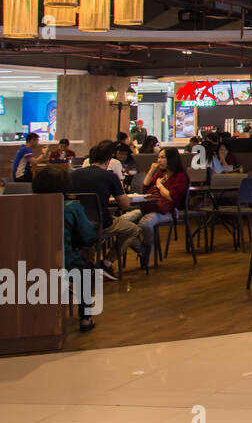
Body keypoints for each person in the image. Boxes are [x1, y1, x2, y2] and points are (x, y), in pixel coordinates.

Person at [33, 167, 99, 332]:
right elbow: (88, 237)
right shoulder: (71, 207)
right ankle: (85, 317)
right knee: (85, 269)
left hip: (27, 262)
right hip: (64, 262)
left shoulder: (24, 206)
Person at [68, 139, 144, 279]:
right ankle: (107, 263)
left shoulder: (73, 175)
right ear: (108, 161)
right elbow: (125, 205)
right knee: (133, 229)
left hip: (77, 223)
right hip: (102, 222)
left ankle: (88, 265)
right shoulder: (109, 176)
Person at [137, 148, 190, 261]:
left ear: (172, 159)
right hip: (152, 207)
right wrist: (151, 171)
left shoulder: (180, 176)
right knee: (126, 219)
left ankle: (148, 248)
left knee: (145, 223)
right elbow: (145, 189)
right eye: (158, 157)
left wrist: (160, 186)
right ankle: (140, 247)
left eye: (163, 157)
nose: (159, 160)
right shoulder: (160, 174)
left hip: (168, 211)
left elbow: (171, 197)